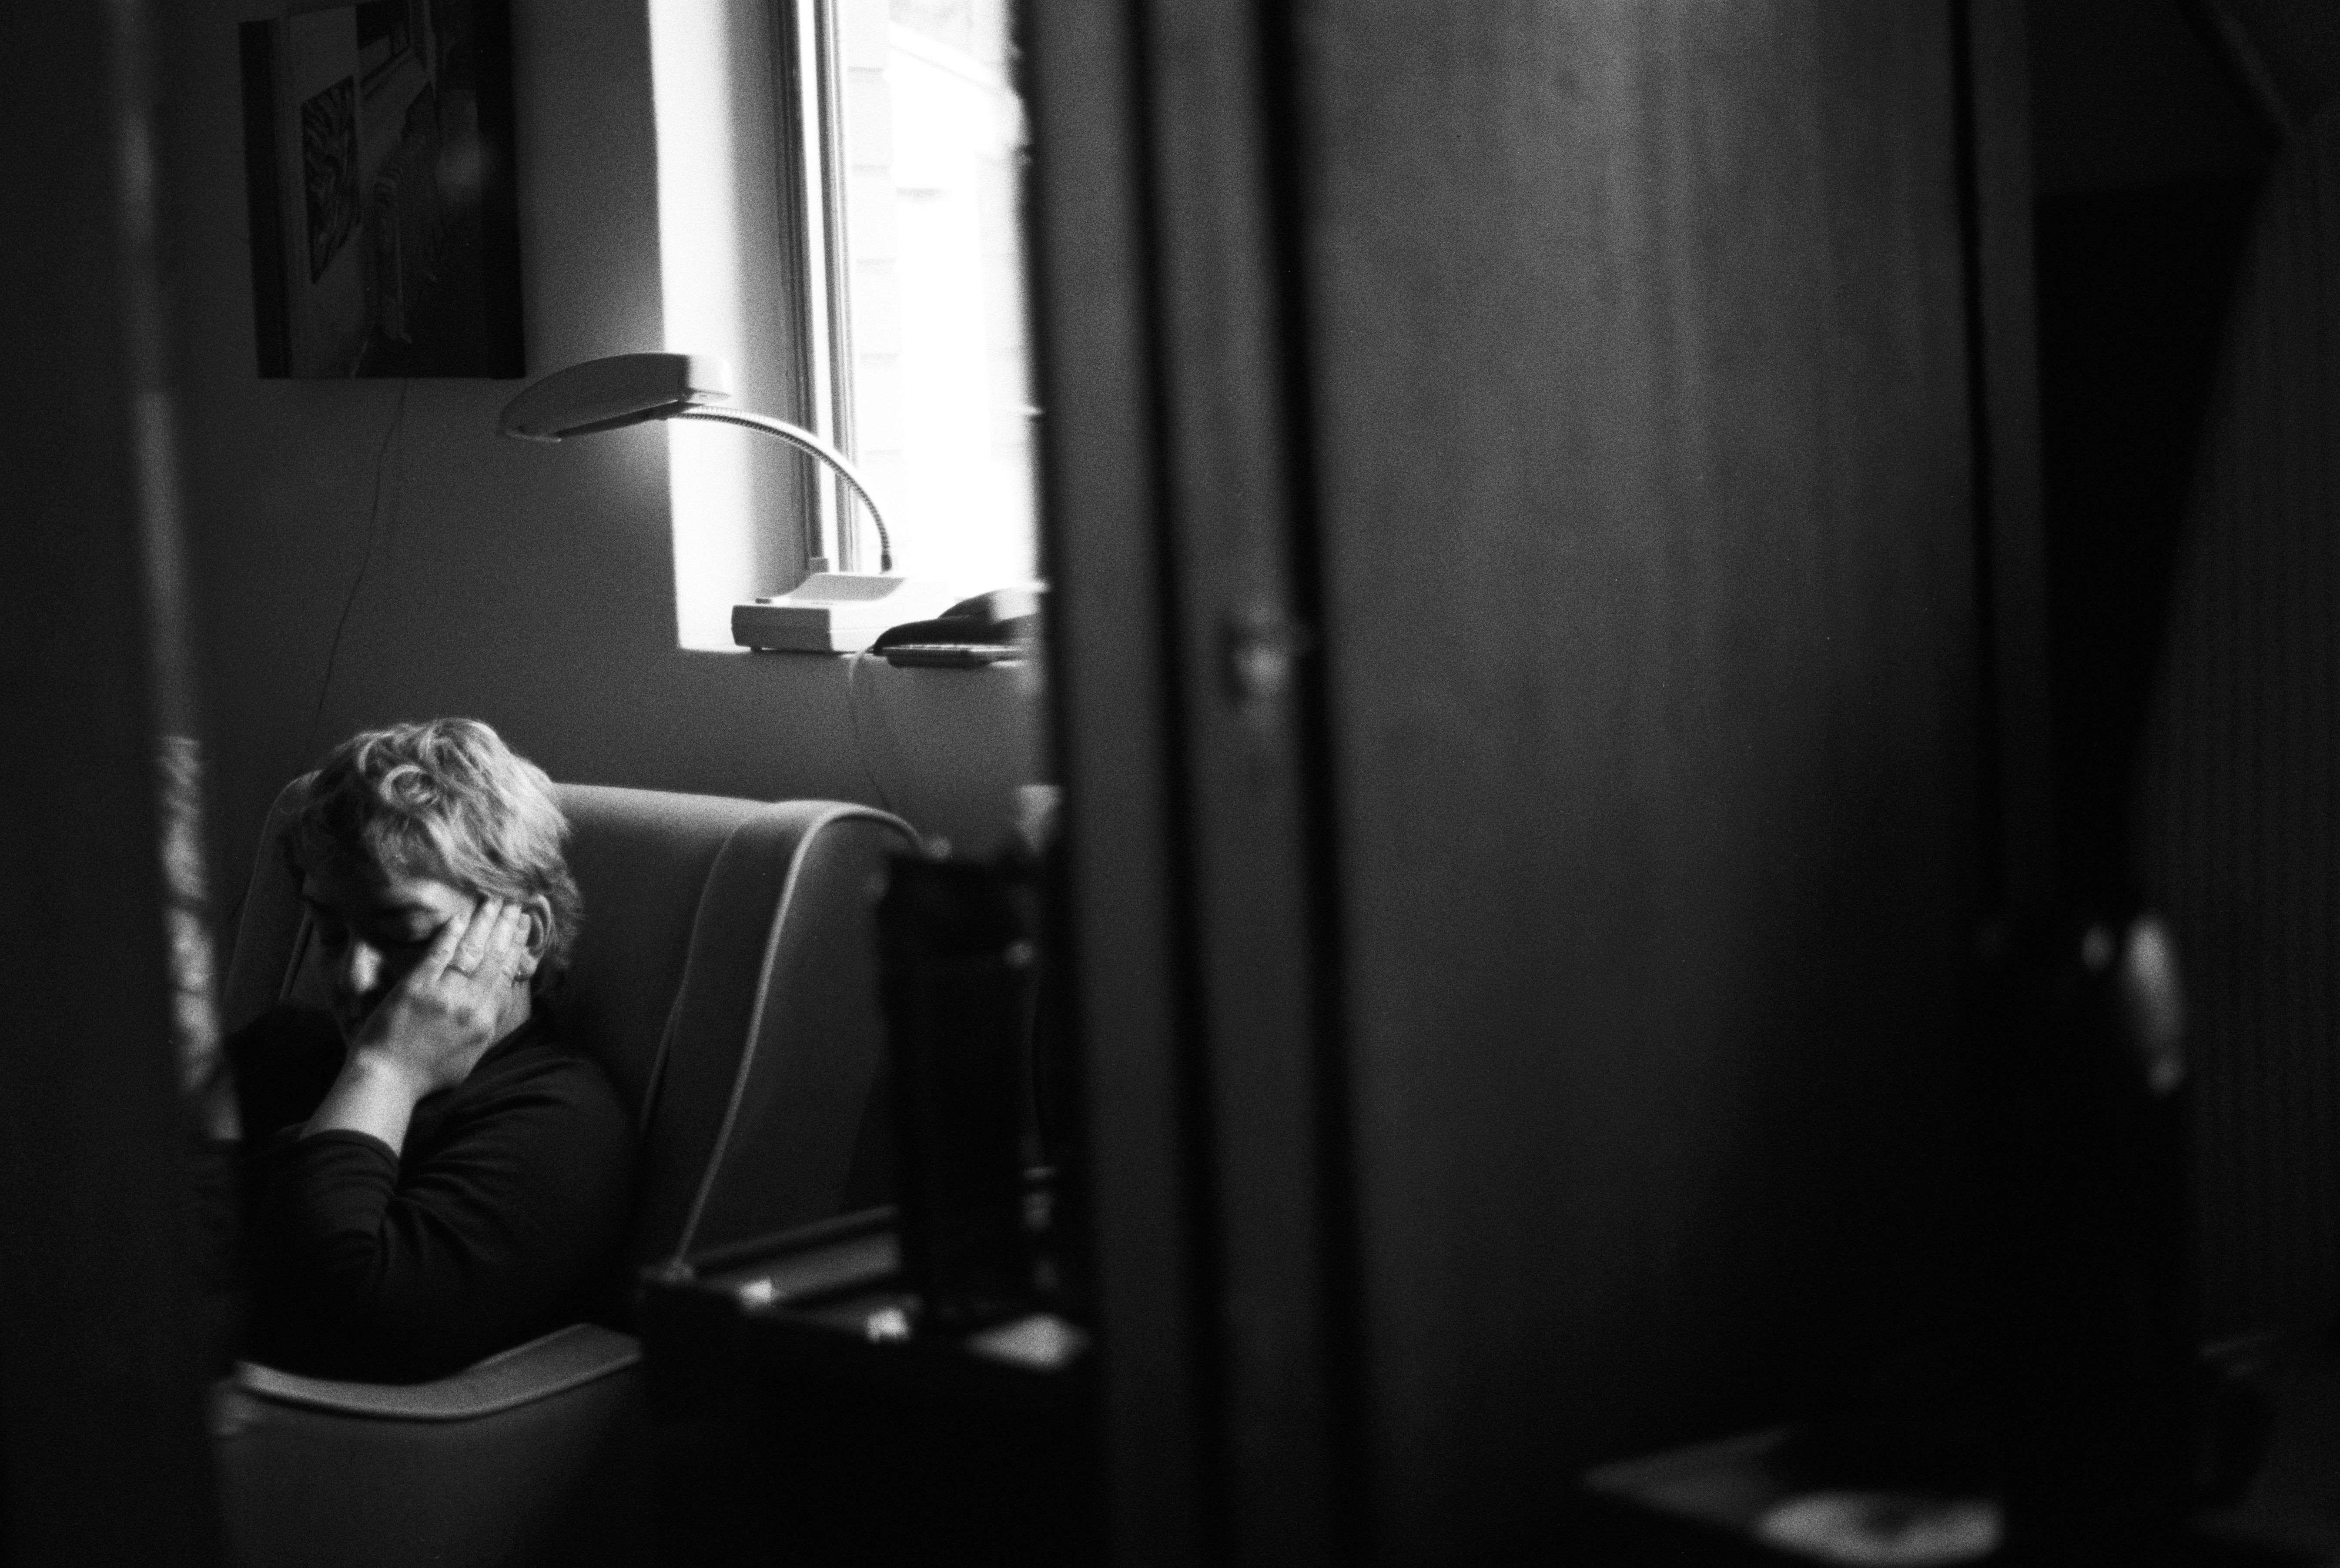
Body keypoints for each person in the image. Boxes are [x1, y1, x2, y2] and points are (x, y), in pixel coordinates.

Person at [191, 719, 634, 1383]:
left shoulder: (558, 1124)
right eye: (331, 932)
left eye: (403, 932)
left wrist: (388, 1070)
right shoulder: (293, 1046)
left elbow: (332, 1314)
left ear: (527, 936)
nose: (352, 978)